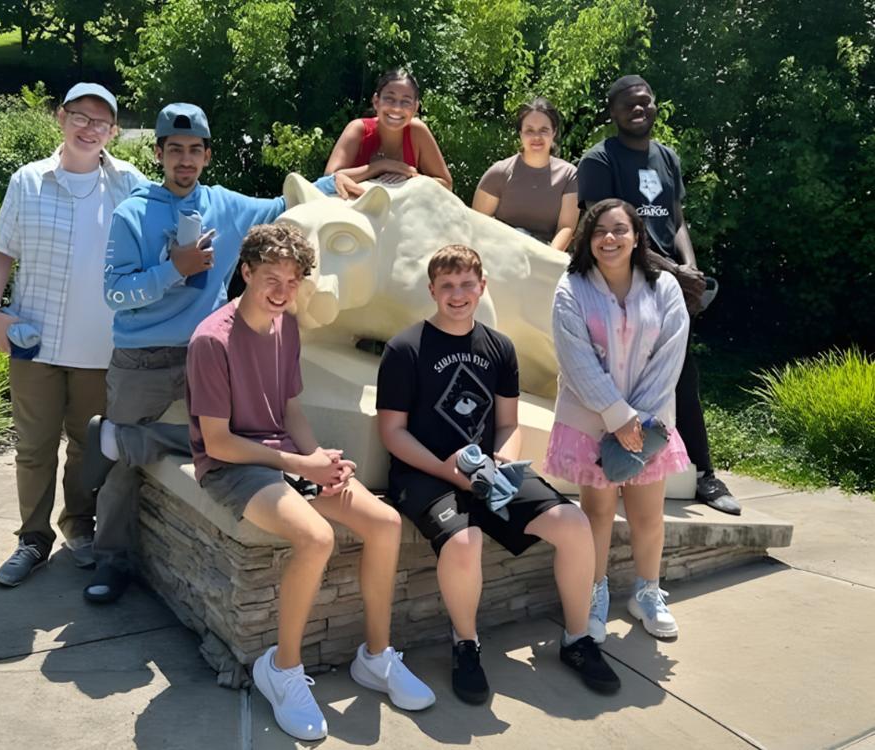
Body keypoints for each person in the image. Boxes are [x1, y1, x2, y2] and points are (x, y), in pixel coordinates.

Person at [79, 104, 348, 604]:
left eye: (194, 150)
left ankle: (136, 437)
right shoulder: (132, 213)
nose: (185, 160)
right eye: (175, 150)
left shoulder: (225, 204)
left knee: (226, 438)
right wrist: (174, 269)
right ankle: (111, 559)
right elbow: (114, 293)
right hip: (144, 357)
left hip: (212, 350)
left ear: (207, 155)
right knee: (123, 467)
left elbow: (277, 209)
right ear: (158, 153)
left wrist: (337, 182)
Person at [188, 224, 435, 740]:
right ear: (247, 272)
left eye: (293, 280)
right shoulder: (212, 340)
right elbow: (218, 443)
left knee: (386, 523)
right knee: (317, 538)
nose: (281, 290)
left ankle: (376, 656)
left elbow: (291, 408)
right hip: (234, 468)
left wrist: (317, 456)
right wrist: (303, 467)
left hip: (283, 458)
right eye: (270, 278)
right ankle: (282, 669)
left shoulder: (287, 327)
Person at [376, 245, 621, 704]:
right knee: (464, 542)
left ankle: (577, 638)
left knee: (573, 524)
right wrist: (449, 470)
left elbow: (507, 423)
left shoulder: (499, 347)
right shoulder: (405, 348)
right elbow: (392, 432)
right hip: (423, 472)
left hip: (487, 471)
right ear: (432, 290)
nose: (457, 294)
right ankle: (466, 645)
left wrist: (504, 462)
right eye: (446, 285)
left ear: (482, 287)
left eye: (467, 284)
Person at [0, 83, 146, 587]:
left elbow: (170, 231)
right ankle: (32, 539)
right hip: (35, 341)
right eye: (80, 116)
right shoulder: (29, 181)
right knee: (33, 447)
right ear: (61, 118)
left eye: (101, 121)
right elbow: (0, 251)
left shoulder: (130, 184)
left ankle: (79, 526)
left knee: (85, 444)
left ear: (113, 131)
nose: (89, 127)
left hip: (101, 347)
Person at [576, 74, 742, 515]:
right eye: (628, 104)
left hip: (670, 284)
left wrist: (688, 268)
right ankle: (611, 464)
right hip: (622, 282)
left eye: (645, 102)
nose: (639, 109)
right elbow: (604, 230)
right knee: (617, 375)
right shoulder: (599, 160)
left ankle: (704, 474)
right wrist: (670, 271)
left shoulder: (666, 157)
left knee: (681, 375)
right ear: (612, 112)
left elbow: (676, 218)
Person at [545, 199, 691, 641]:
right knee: (597, 513)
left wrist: (638, 423)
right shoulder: (571, 287)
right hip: (590, 421)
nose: (609, 239)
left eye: (619, 229)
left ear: (636, 236)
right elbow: (576, 361)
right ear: (588, 239)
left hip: (650, 424)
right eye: (599, 231)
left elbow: (670, 355)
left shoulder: (664, 287)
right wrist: (617, 416)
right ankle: (594, 595)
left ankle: (647, 593)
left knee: (649, 515)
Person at [472, 97, 579, 250]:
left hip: (547, 255)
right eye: (529, 130)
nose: (536, 137)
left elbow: (566, 228)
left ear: (554, 132)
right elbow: (478, 223)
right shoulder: (499, 173)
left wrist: (545, 259)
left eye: (544, 130)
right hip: (502, 254)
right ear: (520, 133)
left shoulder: (569, 175)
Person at [325, 68, 452, 194]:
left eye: (406, 102)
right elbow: (329, 179)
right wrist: (383, 166)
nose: (396, 108)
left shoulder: (417, 131)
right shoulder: (358, 129)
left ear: (415, 107)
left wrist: (412, 178)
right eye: (389, 99)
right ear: (376, 101)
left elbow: (446, 185)